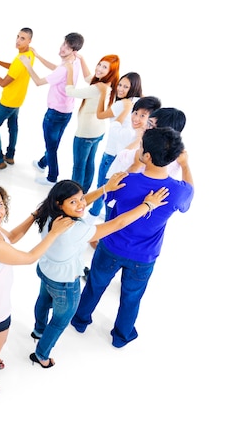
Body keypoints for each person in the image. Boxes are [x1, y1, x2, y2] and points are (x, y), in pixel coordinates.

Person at [71, 127, 194, 347]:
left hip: (110, 246)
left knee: (94, 284)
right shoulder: (178, 191)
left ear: (147, 156)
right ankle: (121, 336)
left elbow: (112, 189)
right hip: (144, 256)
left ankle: (80, 320)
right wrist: (184, 165)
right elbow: (189, 192)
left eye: (141, 147)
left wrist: (134, 166)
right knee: (132, 297)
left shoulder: (126, 180)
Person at [29, 176, 169, 368]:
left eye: (80, 198)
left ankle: (38, 330)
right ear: (60, 203)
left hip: (46, 270)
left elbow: (81, 201)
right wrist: (148, 205)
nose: (81, 204)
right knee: (60, 320)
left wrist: (105, 189)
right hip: (65, 283)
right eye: (73, 201)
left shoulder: (48, 213)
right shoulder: (76, 229)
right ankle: (41, 355)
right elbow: (118, 224)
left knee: (43, 300)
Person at [0, 180, 73, 401]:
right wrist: (53, 233)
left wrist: (34, 215)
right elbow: (29, 258)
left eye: (0, 205)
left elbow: (12, 238)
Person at [19, 32, 89, 186]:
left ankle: (52, 177)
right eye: (64, 43)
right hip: (67, 111)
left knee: (51, 146)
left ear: (73, 51)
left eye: (68, 47)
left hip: (55, 113)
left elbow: (38, 81)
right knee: (54, 143)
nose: (63, 48)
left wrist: (27, 64)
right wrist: (38, 56)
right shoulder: (74, 61)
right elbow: (56, 68)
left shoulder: (65, 69)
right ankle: (42, 163)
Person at [88, 72, 143, 218]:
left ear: (133, 88)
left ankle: (93, 215)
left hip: (112, 153)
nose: (120, 89)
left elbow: (99, 115)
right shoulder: (139, 103)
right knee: (114, 191)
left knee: (103, 188)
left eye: (126, 87)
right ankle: (98, 214)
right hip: (127, 155)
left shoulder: (122, 104)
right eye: (120, 85)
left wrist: (103, 94)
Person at [65, 54, 120, 193]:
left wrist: (70, 69)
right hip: (98, 131)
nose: (100, 69)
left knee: (79, 166)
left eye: (105, 67)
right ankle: (83, 193)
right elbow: (88, 77)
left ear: (111, 71)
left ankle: (73, 196)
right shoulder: (108, 85)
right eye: (100, 64)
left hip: (86, 133)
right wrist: (82, 59)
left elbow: (70, 91)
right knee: (89, 163)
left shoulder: (98, 87)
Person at [0, 28, 34, 170]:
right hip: (18, 100)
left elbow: (3, 83)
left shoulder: (20, 60)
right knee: (13, 127)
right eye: (18, 36)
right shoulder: (29, 55)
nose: (18, 40)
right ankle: (10, 155)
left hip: (8, 101)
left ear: (30, 40)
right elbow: (13, 68)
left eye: (22, 38)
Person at [105, 96, 162, 181]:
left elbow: (113, 128)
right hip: (116, 176)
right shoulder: (132, 132)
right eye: (135, 113)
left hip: (122, 179)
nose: (136, 119)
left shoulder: (141, 137)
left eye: (142, 116)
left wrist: (138, 139)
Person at [120, 107, 187, 179]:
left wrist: (138, 140)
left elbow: (121, 156)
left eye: (149, 124)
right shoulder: (177, 158)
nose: (144, 126)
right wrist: (185, 165)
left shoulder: (142, 152)